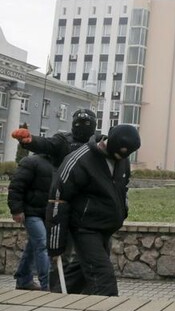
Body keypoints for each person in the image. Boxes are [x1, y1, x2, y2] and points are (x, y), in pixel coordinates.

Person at [47, 124, 140, 296]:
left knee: (81, 273)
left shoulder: (122, 161)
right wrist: (55, 244)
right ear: (110, 143)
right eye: (120, 153)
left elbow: (122, 188)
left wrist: (122, 212)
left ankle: (53, 300)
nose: (123, 158)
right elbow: (57, 201)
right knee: (102, 277)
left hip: (106, 227)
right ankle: (107, 306)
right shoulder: (79, 160)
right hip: (84, 228)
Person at [11, 108, 98, 293]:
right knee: (59, 253)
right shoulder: (62, 142)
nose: (82, 127)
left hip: (86, 209)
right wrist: (30, 140)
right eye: (79, 123)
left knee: (90, 254)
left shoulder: (96, 144)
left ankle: (82, 289)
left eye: (87, 124)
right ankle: (53, 290)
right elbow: (46, 143)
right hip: (61, 208)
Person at [7, 154, 55, 291]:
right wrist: (16, 210)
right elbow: (16, 186)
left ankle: (23, 279)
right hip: (30, 213)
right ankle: (47, 286)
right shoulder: (31, 162)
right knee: (42, 244)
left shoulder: (58, 163)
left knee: (33, 246)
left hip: (46, 213)